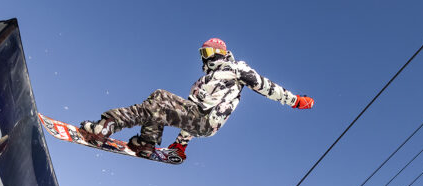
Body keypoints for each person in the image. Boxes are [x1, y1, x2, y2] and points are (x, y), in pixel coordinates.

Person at [81, 37, 314, 159]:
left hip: (208, 120)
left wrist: (294, 100)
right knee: (158, 99)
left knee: (160, 101)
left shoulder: (236, 69)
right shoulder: (202, 82)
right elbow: (189, 114)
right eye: (204, 53)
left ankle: (108, 125)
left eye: (210, 53)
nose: (206, 57)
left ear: (221, 53)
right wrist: (181, 144)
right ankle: (148, 142)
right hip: (199, 119)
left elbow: (266, 86)